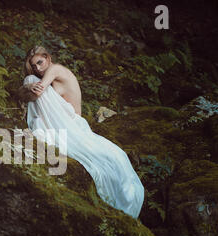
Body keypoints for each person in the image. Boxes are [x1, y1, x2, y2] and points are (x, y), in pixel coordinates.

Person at [17, 45, 144, 219]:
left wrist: (28, 87)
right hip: (69, 122)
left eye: (40, 62)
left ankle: (42, 128)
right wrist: (27, 89)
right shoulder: (48, 76)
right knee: (29, 81)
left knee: (30, 80)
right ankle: (42, 126)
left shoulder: (55, 69)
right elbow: (31, 94)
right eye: (34, 66)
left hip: (72, 124)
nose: (38, 68)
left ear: (48, 58)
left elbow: (38, 90)